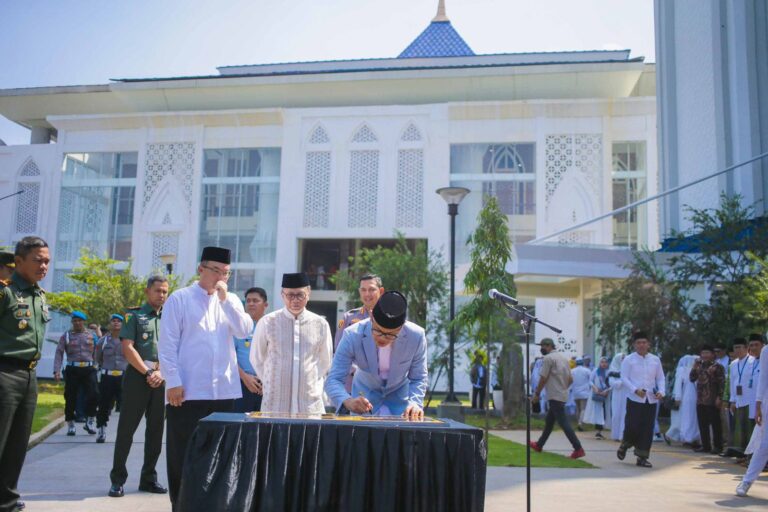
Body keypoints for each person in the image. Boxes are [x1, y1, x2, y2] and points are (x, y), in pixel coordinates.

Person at [159, 247, 253, 510]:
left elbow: (244, 329)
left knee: (221, 456)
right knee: (184, 455)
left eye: (226, 273)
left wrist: (225, 301)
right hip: (188, 393)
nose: (221, 277)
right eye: (216, 271)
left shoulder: (231, 300)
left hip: (224, 393)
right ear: (201, 269)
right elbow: (167, 344)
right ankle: (181, 504)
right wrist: (173, 381)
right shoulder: (180, 299)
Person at [0, 237, 50, 512]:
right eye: (38, 260)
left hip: (29, 376)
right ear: (18, 262)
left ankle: (6, 500)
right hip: (4, 372)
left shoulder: (39, 295)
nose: (44, 266)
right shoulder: (5, 292)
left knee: (18, 443)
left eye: (47, 261)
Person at [108, 276, 170, 498]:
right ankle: (117, 480)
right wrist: (148, 372)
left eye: (164, 291)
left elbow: (174, 348)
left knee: (156, 431)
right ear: (147, 291)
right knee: (126, 430)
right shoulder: (134, 315)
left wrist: (161, 372)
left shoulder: (171, 317)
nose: (161, 295)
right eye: (157, 291)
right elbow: (128, 348)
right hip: (138, 376)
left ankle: (149, 479)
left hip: (162, 378)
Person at [326, 291, 427, 419]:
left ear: (402, 327)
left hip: (401, 403)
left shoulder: (416, 336)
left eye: (390, 335)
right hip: (363, 401)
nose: (382, 339)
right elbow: (333, 379)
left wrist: (415, 403)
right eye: (377, 331)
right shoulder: (352, 335)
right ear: (371, 316)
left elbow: (418, 377)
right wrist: (347, 401)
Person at [251, 272, 332, 414]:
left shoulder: (320, 324)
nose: (295, 300)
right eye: (290, 295)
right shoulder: (268, 322)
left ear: (308, 293)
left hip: (309, 402)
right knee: (273, 436)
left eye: (300, 295)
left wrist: (310, 381)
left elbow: (325, 360)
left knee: (309, 436)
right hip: (275, 402)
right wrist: (272, 381)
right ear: (282, 295)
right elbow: (257, 358)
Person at [529, 338, 585, 459]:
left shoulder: (548, 359)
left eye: (543, 346)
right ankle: (539, 444)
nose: (541, 349)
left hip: (554, 396)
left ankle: (578, 448)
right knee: (549, 422)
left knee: (564, 423)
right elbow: (570, 379)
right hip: (561, 394)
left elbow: (543, 378)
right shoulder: (563, 359)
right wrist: (562, 388)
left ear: (549, 346)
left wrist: (537, 394)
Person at [618, 331, 665, 468]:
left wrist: (661, 391)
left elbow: (660, 377)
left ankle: (642, 457)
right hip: (634, 398)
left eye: (644, 342)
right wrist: (634, 389)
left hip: (650, 399)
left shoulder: (655, 359)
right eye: (638, 343)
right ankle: (625, 444)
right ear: (634, 345)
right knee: (632, 425)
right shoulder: (629, 359)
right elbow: (624, 377)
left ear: (648, 344)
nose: (641, 345)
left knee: (647, 428)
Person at [334, 274, 385, 392]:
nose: (367, 294)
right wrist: (359, 371)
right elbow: (339, 350)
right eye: (363, 290)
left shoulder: (390, 318)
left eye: (372, 289)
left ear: (381, 291)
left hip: (384, 385)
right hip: (354, 384)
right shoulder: (349, 318)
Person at [54, 310, 99, 436]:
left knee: (94, 394)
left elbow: (97, 350)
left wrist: (96, 365)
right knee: (70, 397)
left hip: (88, 369)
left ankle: (90, 420)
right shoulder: (66, 335)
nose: (77, 323)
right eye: (74, 321)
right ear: (72, 322)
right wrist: (56, 370)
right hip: (72, 370)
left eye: (79, 321)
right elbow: (59, 352)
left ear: (84, 321)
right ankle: (71, 423)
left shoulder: (91, 335)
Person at [736, 342, 768, 497]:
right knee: (764, 445)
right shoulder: (767, 351)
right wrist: (758, 405)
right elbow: (763, 379)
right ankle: (747, 481)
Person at [232, 287, 268, 413]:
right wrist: (245, 378)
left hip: (268, 384)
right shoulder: (238, 327)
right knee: (241, 425)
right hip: (243, 383)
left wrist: (267, 380)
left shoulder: (272, 326)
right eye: (248, 301)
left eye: (255, 300)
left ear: (265, 305)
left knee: (265, 427)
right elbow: (229, 356)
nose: (251, 304)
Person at [95, 314, 127, 443]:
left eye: (119, 321)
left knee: (126, 406)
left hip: (123, 377)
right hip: (107, 376)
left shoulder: (127, 341)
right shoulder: (103, 341)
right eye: (113, 321)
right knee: (103, 404)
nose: (116, 323)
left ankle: (125, 433)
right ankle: (101, 429)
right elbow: (98, 358)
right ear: (109, 325)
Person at [690, 344, 726, 454]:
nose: (705, 355)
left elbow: (722, 383)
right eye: (703, 353)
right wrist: (694, 366)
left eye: (707, 353)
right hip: (700, 399)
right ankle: (706, 446)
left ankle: (718, 446)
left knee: (715, 424)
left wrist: (720, 397)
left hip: (712, 399)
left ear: (712, 354)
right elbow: (691, 378)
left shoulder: (718, 367)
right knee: (702, 424)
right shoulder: (699, 366)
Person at [727, 338, 754, 459]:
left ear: (746, 347)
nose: (737, 350)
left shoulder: (753, 361)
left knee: (750, 429)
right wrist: (732, 400)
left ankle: (750, 455)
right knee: (740, 429)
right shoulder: (733, 364)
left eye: (739, 347)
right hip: (738, 399)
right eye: (735, 348)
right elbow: (732, 383)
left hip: (750, 399)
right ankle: (741, 455)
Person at [666, 355, 700, 446]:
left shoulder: (697, 370)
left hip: (694, 397)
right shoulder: (682, 370)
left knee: (693, 419)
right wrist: (678, 397)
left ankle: (693, 438)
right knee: (685, 419)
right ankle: (686, 438)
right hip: (685, 398)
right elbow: (678, 385)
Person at [583, 357, 611, 439]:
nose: (604, 364)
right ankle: (598, 431)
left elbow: (611, 383)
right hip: (597, 393)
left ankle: (601, 430)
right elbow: (590, 381)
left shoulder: (609, 372)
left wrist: (607, 391)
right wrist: (594, 388)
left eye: (605, 362)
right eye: (602, 362)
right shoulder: (595, 371)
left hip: (606, 394)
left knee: (604, 412)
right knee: (598, 412)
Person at [608, 353, 626, 441]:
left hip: (626, 394)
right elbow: (612, 383)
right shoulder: (612, 371)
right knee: (616, 414)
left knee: (625, 414)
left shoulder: (628, 370)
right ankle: (615, 435)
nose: (623, 360)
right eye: (621, 358)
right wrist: (623, 382)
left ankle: (623, 435)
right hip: (617, 395)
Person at [571, 359, 592, 431]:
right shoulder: (587, 370)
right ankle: (580, 423)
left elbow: (570, 380)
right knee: (583, 408)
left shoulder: (572, 371)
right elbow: (591, 380)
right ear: (583, 363)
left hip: (575, 392)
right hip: (585, 392)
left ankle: (578, 422)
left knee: (578, 408)